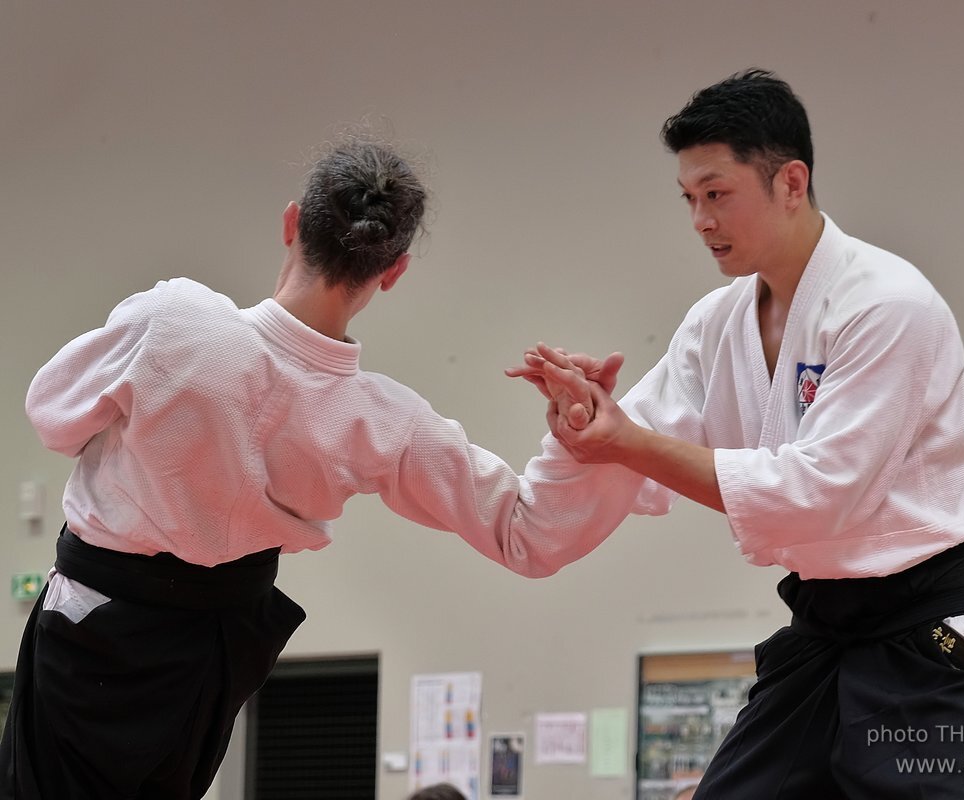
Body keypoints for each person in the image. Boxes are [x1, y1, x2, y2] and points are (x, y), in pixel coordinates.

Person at [0, 137, 628, 800]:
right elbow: (529, 533)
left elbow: (50, 415)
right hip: (210, 656)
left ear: (292, 221)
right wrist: (577, 438)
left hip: (93, 623)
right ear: (393, 272)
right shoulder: (382, 420)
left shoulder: (173, 320)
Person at [510, 70, 964, 798]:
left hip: (932, 630)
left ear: (790, 181)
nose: (700, 220)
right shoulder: (715, 324)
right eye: (689, 200)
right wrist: (583, 425)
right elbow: (633, 454)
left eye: (717, 194)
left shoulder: (887, 304)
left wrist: (624, 442)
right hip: (823, 628)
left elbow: (817, 495)